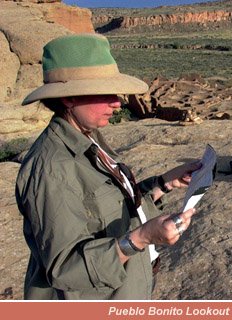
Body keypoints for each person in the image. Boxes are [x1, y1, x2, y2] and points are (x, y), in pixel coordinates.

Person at [15, 33, 201, 300]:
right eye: (105, 93)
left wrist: (165, 183)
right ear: (69, 98)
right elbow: (65, 268)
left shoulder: (88, 136)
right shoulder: (51, 168)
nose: (117, 102)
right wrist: (140, 239)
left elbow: (113, 207)